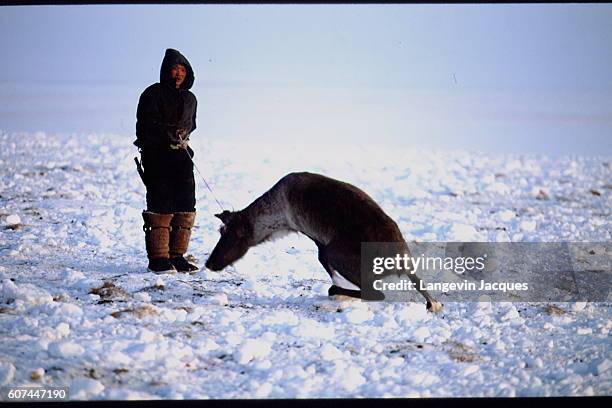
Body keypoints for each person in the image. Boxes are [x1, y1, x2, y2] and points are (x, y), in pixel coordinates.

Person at [134, 48, 199, 273]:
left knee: (185, 204)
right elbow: (145, 125)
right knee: (160, 204)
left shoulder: (191, 99)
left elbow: (192, 124)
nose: (178, 74)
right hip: (156, 156)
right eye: (174, 69)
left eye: (182, 69)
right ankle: (159, 259)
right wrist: (168, 133)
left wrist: (182, 134)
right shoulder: (152, 94)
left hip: (181, 156)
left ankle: (177, 256)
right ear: (166, 71)